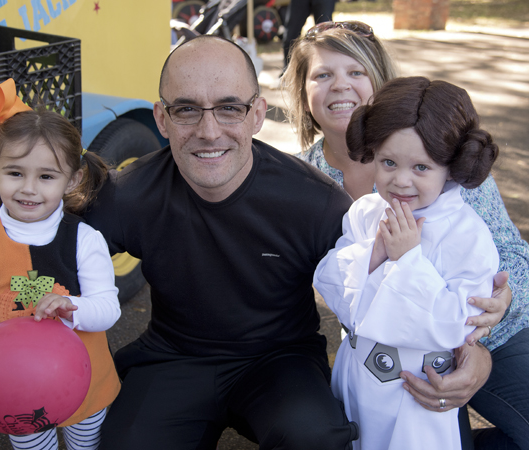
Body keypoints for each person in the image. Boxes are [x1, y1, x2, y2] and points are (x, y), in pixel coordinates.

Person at [84, 35, 359, 449]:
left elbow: (380, 294)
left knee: (316, 439)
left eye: (230, 108)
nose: (209, 132)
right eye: (187, 110)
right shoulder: (128, 194)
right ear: (161, 118)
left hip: (281, 361)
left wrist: (466, 349)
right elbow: (43, 261)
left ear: (257, 115)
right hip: (173, 357)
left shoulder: (316, 203)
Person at [282, 21, 529, 450]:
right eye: (323, 75)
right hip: (387, 351)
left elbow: (512, 256)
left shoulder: (443, 151)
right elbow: (326, 276)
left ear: (379, 80)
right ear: (303, 93)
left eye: (356, 72)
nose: (341, 86)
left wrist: (491, 323)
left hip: (492, 336)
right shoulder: (299, 179)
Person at [314, 76, 500, 449]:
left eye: (421, 168)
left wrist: (408, 261)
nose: (400, 181)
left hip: (417, 393)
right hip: (358, 380)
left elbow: (457, 325)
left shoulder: (467, 235)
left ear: (452, 166)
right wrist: (375, 254)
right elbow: (330, 281)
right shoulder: (366, 212)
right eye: (388, 162)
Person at [0, 79, 121, 450]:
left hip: (84, 377)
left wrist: (73, 307)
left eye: (47, 177)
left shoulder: (85, 240)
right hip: (15, 387)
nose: (29, 189)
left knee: (85, 444)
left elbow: (107, 308)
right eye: (15, 173)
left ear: (72, 179)